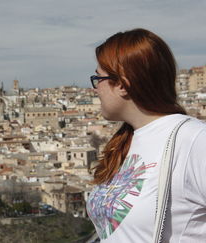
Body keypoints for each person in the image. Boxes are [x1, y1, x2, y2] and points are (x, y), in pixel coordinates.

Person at [86, 28, 206, 242]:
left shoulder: (193, 140)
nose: (95, 89)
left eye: (98, 78)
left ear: (122, 84)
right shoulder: (125, 140)